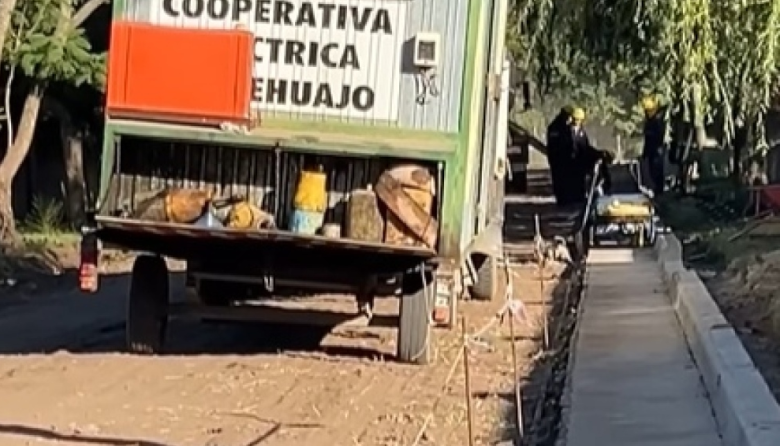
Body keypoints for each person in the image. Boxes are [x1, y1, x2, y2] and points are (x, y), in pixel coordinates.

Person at [568, 107, 613, 202]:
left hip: (583, 157)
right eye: (576, 119)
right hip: (574, 160)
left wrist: (599, 153)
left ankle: (603, 185)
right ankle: (587, 191)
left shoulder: (581, 131)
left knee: (602, 159)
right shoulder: (567, 132)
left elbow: (586, 147)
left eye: (579, 120)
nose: (577, 122)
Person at [546, 106, 574, 205]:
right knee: (559, 179)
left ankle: (565, 198)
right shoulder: (555, 127)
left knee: (565, 179)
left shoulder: (565, 126)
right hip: (558, 158)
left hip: (564, 158)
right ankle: (561, 199)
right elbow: (554, 145)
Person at [641, 95, 666, 195]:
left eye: (648, 111)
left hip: (656, 151)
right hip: (652, 151)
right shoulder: (649, 122)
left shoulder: (657, 122)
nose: (646, 113)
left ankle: (659, 190)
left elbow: (657, 137)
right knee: (652, 170)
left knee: (657, 170)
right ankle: (656, 190)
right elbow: (647, 139)